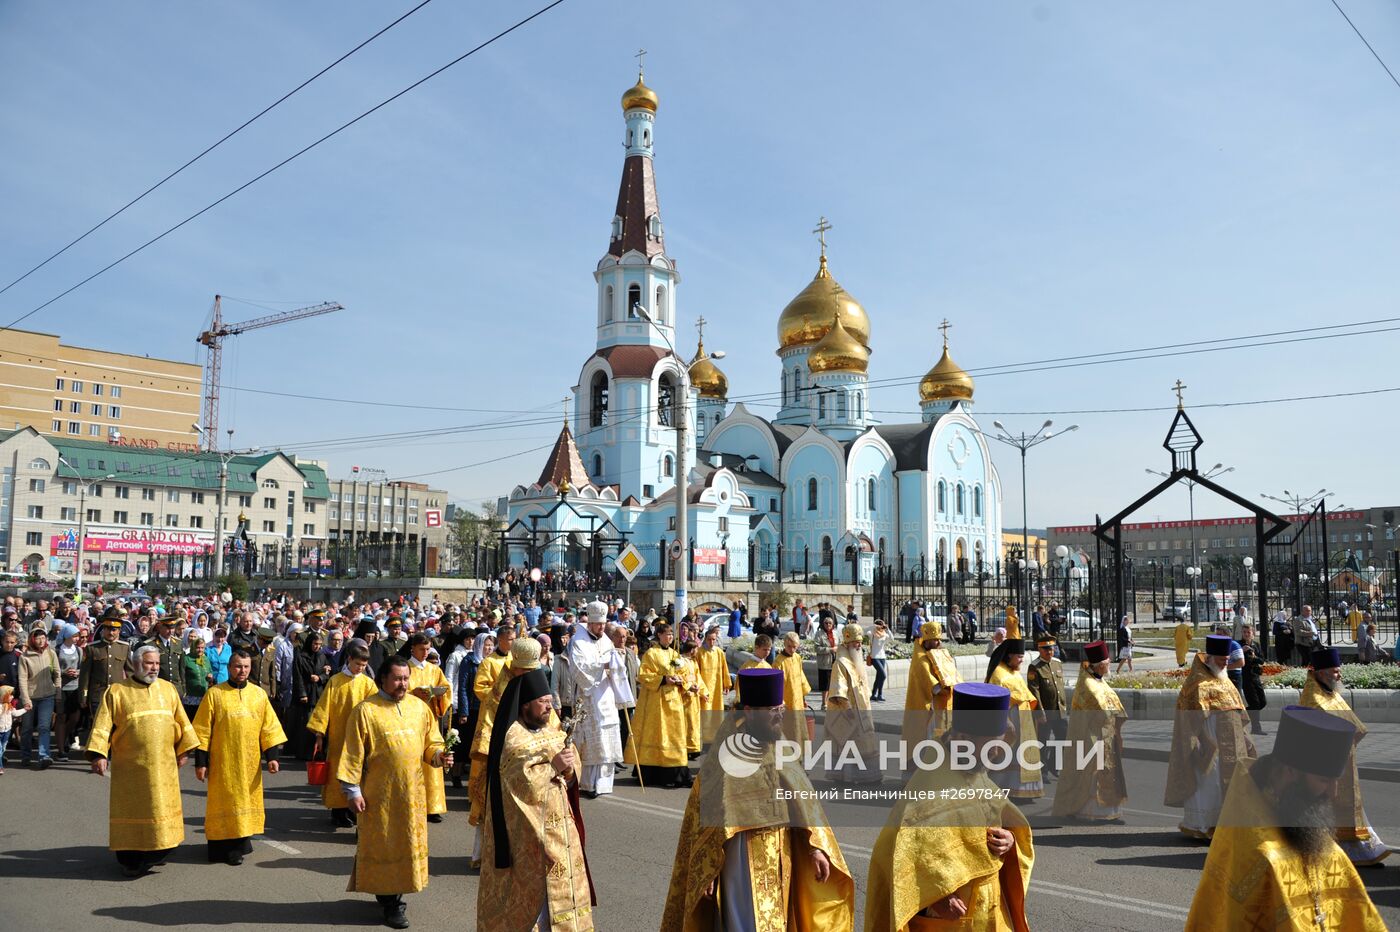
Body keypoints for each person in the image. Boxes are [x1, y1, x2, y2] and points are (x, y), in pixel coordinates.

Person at [661, 668, 855, 931]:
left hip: (781, 853)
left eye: (781, 708)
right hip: (740, 858)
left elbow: (801, 800)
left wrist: (815, 848)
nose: (780, 715)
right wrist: (710, 868)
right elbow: (708, 817)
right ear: (749, 711)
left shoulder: (778, 742)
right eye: (772, 710)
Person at [1184, 706, 1385, 930]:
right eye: (1324, 780)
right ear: (1290, 772)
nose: (1333, 793)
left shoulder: (1322, 843)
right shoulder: (1255, 851)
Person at [865, 683, 1034, 931]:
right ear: (963, 739)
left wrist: (1010, 839)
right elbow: (900, 852)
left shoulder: (976, 770)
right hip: (949, 915)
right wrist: (937, 897)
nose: (998, 752)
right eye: (992, 744)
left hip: (990, 909)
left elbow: (1004, 818)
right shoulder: (932, 780)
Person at [338, 655, 451, 930]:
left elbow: (431, 742)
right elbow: (353, 753)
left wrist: (438, 755)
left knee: (405, 845)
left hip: (412, 794)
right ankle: (391, 903)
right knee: (384, 845)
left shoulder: (418, 707)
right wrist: (352, 791)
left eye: (406, 678)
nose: (403, 684)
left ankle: (394, 896)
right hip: (379, 795)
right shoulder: (365, 711)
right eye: (398, 679)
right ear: (383, 680)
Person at [478, 665, 595, 931]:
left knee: (564, 894)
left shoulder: (552, 731)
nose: (548, 707)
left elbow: (570, 768)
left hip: (561, 831)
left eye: (550, 702)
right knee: (536, 899)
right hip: (529, 834)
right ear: (525, 705)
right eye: (542, 702)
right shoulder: (512, 736)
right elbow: (518, 781)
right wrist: (552, 766)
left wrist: (568, 770)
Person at [85, 644, 199, 876]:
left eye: (157, 663)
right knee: (134, 813)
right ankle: (132, 860)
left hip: (163, 767)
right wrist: (99, 754)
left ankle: (158, 851)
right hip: (131, 770)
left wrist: (184, 750)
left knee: (160, 809)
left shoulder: (168, 690)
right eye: (149, 663)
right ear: (136, 664)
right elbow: (102, 725)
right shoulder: (117, 692)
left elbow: (182, 722)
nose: (154, 668)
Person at [192, 648, 287, 865]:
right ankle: (226, 849)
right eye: (237, 666)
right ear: (229, 667)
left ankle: (241, 843)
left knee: (245, 802)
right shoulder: (215, 694)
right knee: (225, 804)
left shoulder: (258, 694)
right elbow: (202, 730)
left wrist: (272, 757)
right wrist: (201, 762)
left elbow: (269, 727)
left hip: (250, 763)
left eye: (245, 667)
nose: (241, 671)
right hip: (223, 762)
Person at [1299, 647, 1389, 865]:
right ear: (1322, 673)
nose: (1339, 675)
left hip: (1345, 759)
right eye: (1336, 671)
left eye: (1339, 671)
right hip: (1326, 764)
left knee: (1350, 806)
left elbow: (1351, 723)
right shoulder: (1312, 698)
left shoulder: (1332, 692)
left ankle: (1358, 847)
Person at [1165, 635, 1256, 840]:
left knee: (1230, 784)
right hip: (1210, 746)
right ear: (1210, 658)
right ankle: (1202, 825)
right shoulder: (1197, 684)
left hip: (1232, 745)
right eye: (1222, 659)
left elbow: (1239, 714)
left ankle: (1224, 826)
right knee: (1209, 784)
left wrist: (1245, 739)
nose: (1226, 662)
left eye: (1227, 659)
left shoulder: (1226, 681)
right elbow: (1189, 721)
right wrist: (1201, 743)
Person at [470, 637, 544, 868]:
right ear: (516, 667)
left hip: (531, 757)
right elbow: (490, 725)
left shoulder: (534, 685)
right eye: (526, 670)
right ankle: (486, 855)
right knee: (495, 808)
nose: (530, 674)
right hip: (503, 758)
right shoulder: (499, 692)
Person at [1052, 641, 1128, 823]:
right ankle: (1090, 811)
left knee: (1106, 773)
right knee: (1092, 776)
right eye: (1108, 661)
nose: (1110, 663)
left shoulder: (1098, 680)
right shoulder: (1087, 684)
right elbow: (1102, 709)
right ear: (1101, 664)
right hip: (1092, 737)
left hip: (1107, 735)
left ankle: (1107, 809)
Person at [307, 640, 377, 828]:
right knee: (338, 772)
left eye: (363, 666)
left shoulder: (368, 684)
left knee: (358, 772)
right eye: (357, 664)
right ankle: (338, 811)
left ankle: (353, 809)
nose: (360, 669)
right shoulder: (335, 681)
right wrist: (319, 735)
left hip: (361, 737)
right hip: (339, 736)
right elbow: (324, 708)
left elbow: (377, 709)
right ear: (349, 659)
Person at [569, 601, 630, 799]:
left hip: (607, 696)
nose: (602, 628)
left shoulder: (606, 641)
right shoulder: (578, 641)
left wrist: (615, 666)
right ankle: (587, 783)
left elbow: (617, 666)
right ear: (590, 624)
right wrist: (601, 665)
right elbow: (578, 668)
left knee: (609, 736)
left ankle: (604, 784)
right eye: (598, 625)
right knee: (591, 740)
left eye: (603, 624)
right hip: (589, 697)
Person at [623, 622, 690, 788]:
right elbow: (643, 675)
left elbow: (685, 673)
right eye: (666, 634)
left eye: (671, 634)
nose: (669, 637)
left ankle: (676, 771)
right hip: (656, 701)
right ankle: (654, 771)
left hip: (674, 700)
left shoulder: (676, 654)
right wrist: (663, 679)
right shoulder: (651, 653)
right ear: (659, 635)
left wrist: (681, 681)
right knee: (658, 733)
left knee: (675, 734)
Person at [984, 638, 1042, 800]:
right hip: (1009, 719)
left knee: (1022, 753)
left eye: (1023, 656)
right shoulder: (998, 673)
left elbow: (1024, 693)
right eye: (1019, 656)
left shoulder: (1014, 671)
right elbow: (995, 699)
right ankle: (1003, 788)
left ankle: (1022, 789)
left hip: (1023, 718)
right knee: (1008, 754)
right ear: (1009, 656)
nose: (1022, 660)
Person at [404, 633, 452, 823]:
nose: (425, 653)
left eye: (428, 649)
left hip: (430, 718)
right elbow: (396, 689)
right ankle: (412, 803)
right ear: (412, 649)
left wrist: (439, 695)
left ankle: (433, 806)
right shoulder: (405, 667)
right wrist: (412, 693)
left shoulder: (434, 669)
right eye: (422, 649)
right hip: (409, 719)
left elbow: (445, 688)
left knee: (433, 755)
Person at [824, 623, 878, 784]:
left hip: (862, 709)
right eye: (856, 642)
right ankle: (847, 776)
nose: (859, 645)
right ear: (847, 643)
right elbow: (837, 688)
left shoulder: (857, 660)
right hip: (849, 712)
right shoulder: (840, 662)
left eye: (860, 642)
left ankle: (866, 776)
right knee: (849, 744)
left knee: (864, 742)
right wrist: (847, 709)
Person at [902, 620, 960, 748]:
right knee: (932, 739)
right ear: (927, 641)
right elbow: (934, 687)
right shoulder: (921, 660)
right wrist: (946, 689)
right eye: (935, 640)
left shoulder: (940, 653)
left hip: (943, 705)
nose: (938, 642)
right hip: (930, 707)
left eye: (939, 639)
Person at [16, 624, 58, 768]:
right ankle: (25, 756)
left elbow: (57, 673)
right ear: (32, 639)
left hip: (47, 696)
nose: (41, 641)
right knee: (27, 728)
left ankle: (44, 756)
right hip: (30, 697)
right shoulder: (24, 657)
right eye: (37, 638)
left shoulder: (51, 653)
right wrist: (26, 699)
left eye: (43, 637)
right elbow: (22, 679)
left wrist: (57, 692)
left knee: (44, 727)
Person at [1026, 633, 1066, 779]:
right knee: (1043, 740)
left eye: (1052, 649)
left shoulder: (1057, 663)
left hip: (1059, 709)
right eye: (1046, 650)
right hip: (1045, 711)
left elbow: (1059, 686)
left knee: (1063, 737)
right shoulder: (1035, 667)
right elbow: (1033, 690)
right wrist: (1039, 712)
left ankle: (1054, 765)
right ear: (1040, 650)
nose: (1050, 652)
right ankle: (1042, 771)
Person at [291, 630, 333, 760]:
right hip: (307, 694)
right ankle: (303, 752)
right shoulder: (301, 656)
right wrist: (302, 694)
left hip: (319, 693)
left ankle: (316, 753)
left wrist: (320, 677)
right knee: (306, 724)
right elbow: (298, 676)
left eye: (320, 644)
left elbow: (328, 674)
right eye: (315, 643)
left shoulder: (322, 656)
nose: (317, 646)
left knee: (318, 724)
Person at [53, 623, 84, 759]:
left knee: (74, 717)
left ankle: (64, 738)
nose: (77, 638)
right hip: (61, 687)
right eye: (74, 635)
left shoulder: (78, 650)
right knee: (61, 717)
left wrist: (77, 672)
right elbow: (52, 669)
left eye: (77, 636)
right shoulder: (57, 650)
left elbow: (82, 667)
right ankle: (60, 750)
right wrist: (64, 673)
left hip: (75, 687)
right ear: (66, 635)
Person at [694, 625, 729, 741]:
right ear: (705, 639)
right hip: (704, 686)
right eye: (709, 639)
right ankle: (704, 738)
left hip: (717, 686)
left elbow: (725, 668)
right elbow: (696, 671)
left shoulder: (719, 652)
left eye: (714, 639)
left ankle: (715, 737)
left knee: (716, 711)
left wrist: (726, 683)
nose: (711, 642)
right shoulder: (699, 653)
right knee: (706, 712)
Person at [1239, 625, 1267, 736]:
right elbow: (1232, 657)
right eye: (1244, 632)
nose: (1246, 634)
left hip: (1255, 676)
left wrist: (1254, 657)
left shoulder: (1256, 645)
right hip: (1245, 677)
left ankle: (1241, 715)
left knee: (1262, 702)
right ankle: (1256, 728)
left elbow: (1262, 660)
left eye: (1248, 632)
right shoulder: (1238, 644)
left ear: (1253, 633)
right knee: (1254, 704)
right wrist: (1242, 650)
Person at [182, 636, 214, 718]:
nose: (200, 650)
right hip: (190, 698)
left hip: (204, 696)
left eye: (202, 648)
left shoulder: (205, 659)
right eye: (198, 647)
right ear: (193, 647)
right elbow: (181, 676)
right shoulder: (186, 659)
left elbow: (210, 671)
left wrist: (210, 677)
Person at [813, 616, 836, 708]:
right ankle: (824, 702)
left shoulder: (835, 633)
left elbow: (840, 645)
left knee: (833, 683)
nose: (828, 625)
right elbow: (817, 648)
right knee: (825, 684)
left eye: (830, 623)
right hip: (824, 663)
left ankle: (831, 702)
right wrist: (830, 649)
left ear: (832, 624)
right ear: (823, 624)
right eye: (826, 623)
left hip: (834, 662)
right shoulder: (819, 634)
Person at [868, 620, 889, 701]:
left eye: (882, 625)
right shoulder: (871, 633)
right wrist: (874, 626)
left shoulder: (884, 634)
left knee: (879, 676)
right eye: (879, 625)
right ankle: (876, 694)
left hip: (882, 657)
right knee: (883, 675)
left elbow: (892, 638)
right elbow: (864, 631)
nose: (880, 627)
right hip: (874, 657)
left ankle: (876, 695)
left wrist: (887, 629)